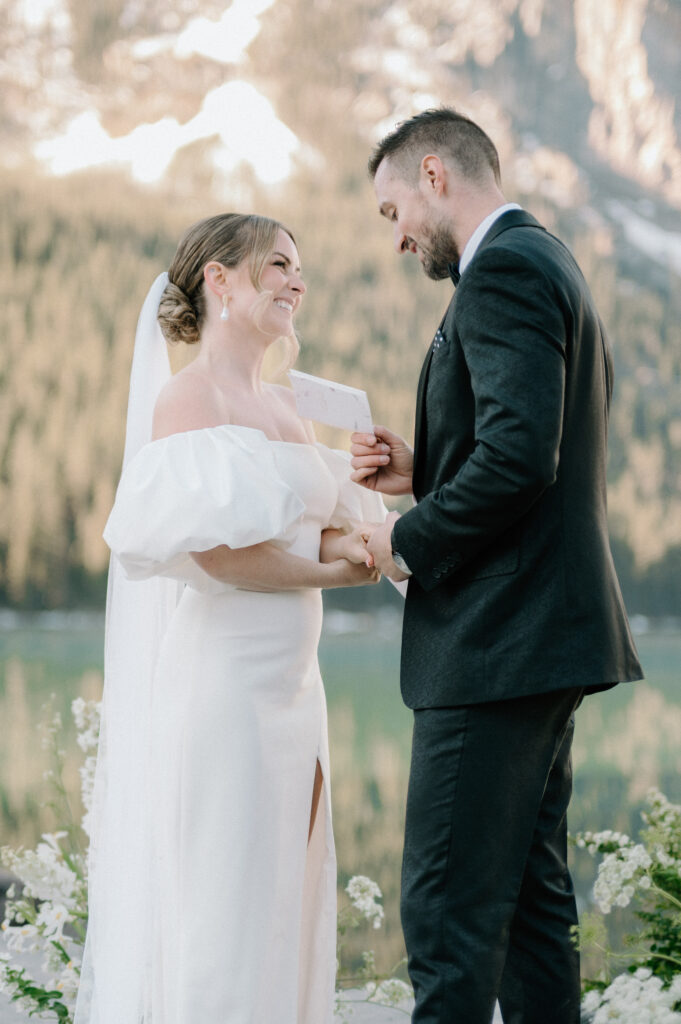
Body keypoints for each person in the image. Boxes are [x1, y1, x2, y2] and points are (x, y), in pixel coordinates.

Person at [350, 109, 643, 1024]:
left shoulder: (504, 269)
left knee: (446, 919)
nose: (396, 239)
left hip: (496, 645)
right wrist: (425, 470)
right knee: (527, 912)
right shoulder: (544, 256)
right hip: (538, 639)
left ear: (434, 174)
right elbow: (521, 445)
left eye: (394, 211)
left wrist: (402, 539)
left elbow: (521, 460)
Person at [75, 213, 384, 1024]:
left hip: (295, 694)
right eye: (278, 265)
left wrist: (366, 534)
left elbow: (300, 521)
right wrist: (334, 572)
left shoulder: (288, 407)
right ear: (220, 280)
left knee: (288, 898)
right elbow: (218, 556)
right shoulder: (187, 400)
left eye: (299, 268)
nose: (296, 281)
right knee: (225, 912)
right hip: (224, 692)